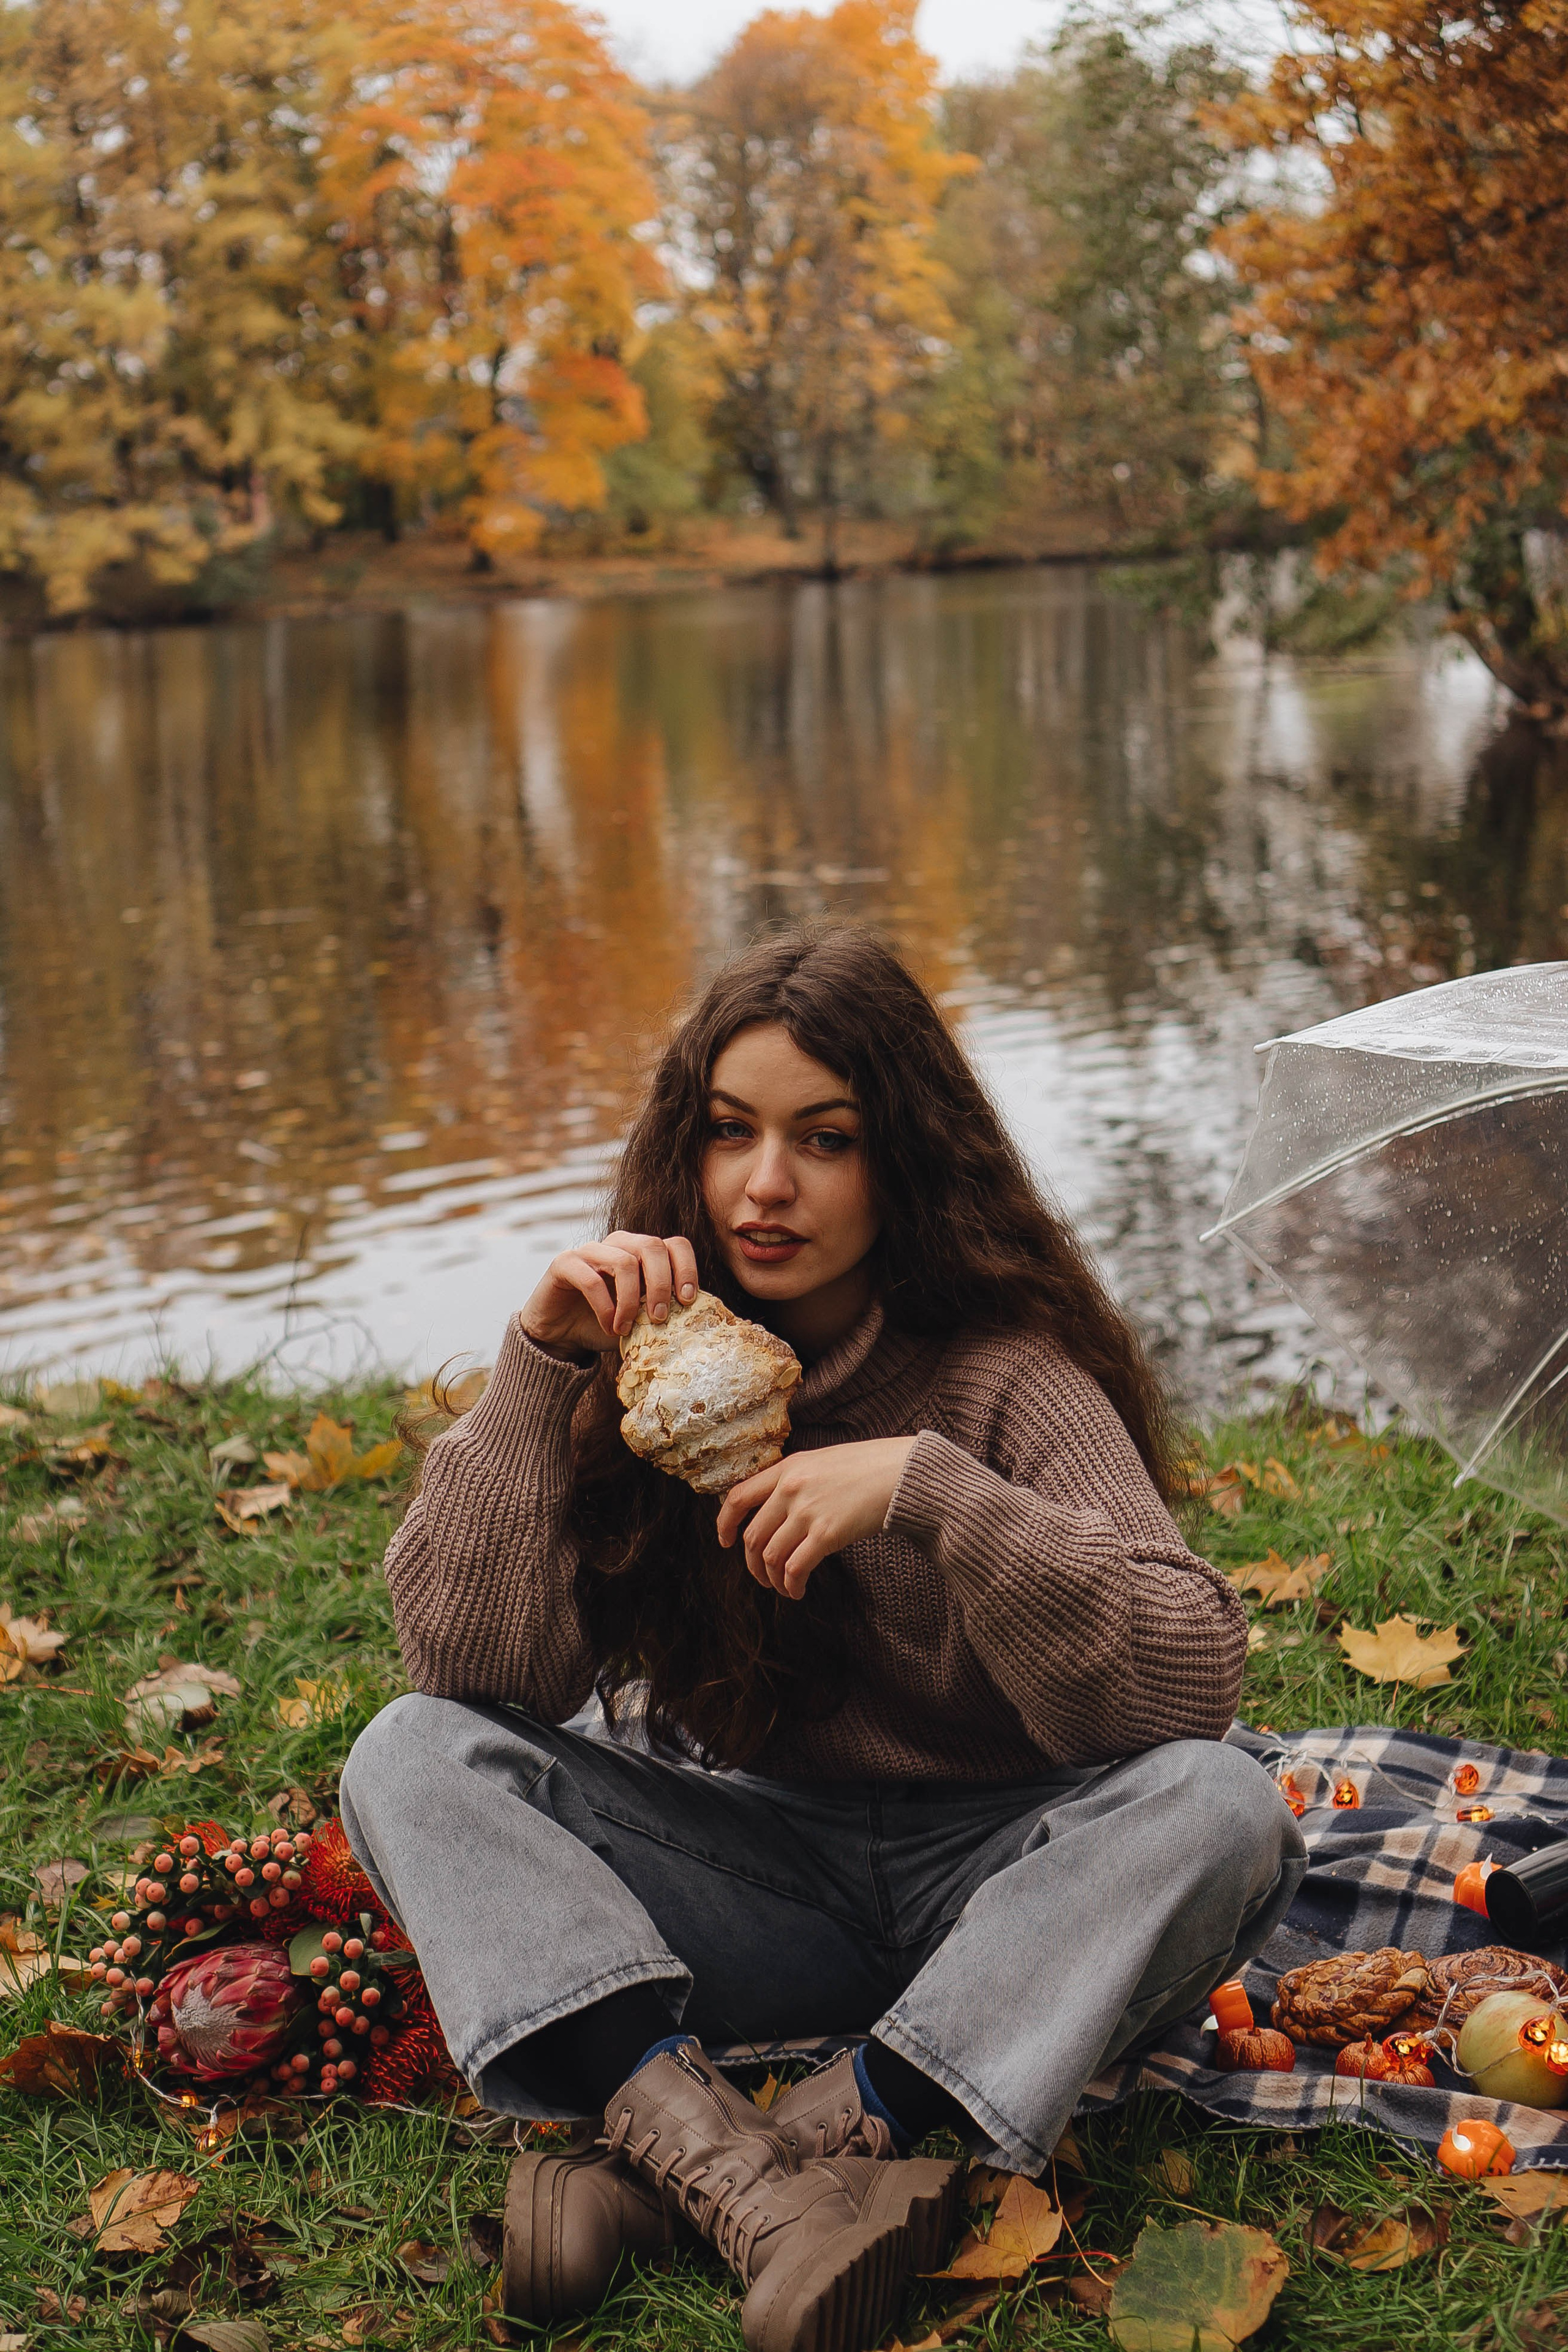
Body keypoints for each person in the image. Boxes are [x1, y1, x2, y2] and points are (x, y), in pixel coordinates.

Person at [341, 925, 1306, 2352]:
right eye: (730, 1133)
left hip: (1013, 1887)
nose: (764, 1185)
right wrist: (536, 1376)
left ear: (902, 1158)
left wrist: (933, 1495)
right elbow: (478, 1677)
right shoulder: (649, 1368)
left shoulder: (1006, 1380)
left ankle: (775, 2153)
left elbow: (1183, 1677)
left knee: (1223, 1808)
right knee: (409, 1754)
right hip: (757, 1875)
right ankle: (747, 2178)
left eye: (825, 1138)